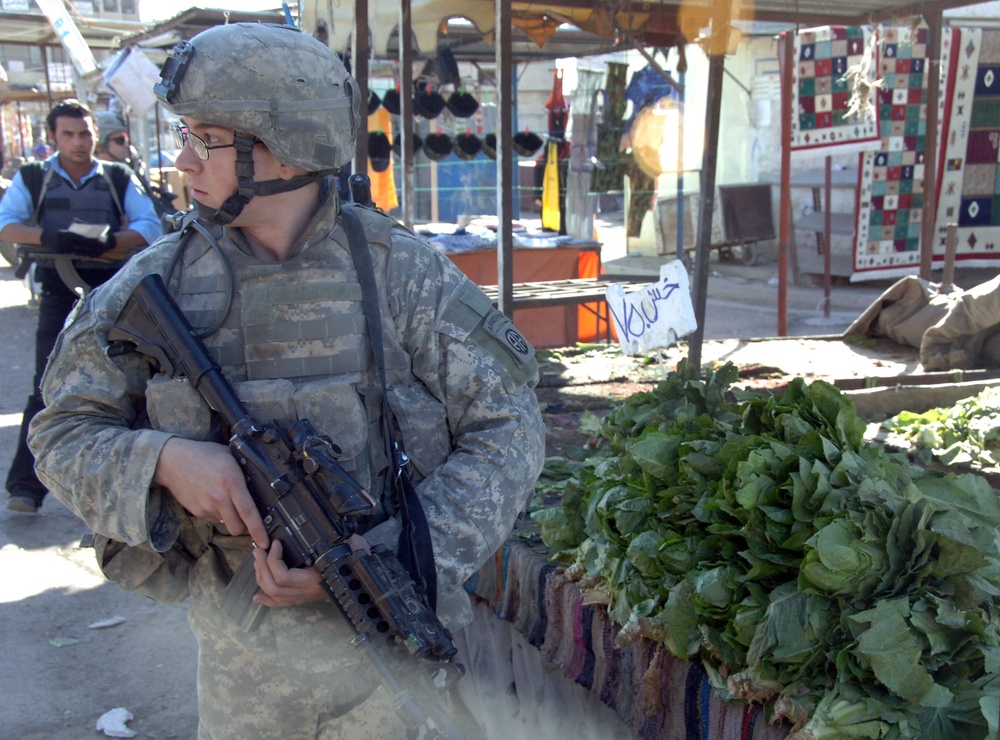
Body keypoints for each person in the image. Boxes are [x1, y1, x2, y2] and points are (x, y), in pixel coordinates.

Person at [29, 23, 544, 740]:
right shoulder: (156, 286)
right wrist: (167, 462)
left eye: (205, 139)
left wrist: (393, 558)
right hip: (244, 675)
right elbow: (58, 435)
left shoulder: (397, 272)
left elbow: (510, 426)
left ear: (286, 142)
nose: (182, 161)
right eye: (186, 135)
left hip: (388, 646)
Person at [1, 99, 161, 513]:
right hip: (60, 290)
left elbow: (148, 227)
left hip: (113, 290)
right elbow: (6, 222)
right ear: (53, 137)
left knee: (128, 383)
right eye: (69, 134)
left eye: (85, 133)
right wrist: (48, 238)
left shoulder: (117, 177)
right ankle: (26, 487)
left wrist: (109, 242)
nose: (78, 142)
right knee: (47, 383)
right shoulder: (34, 176)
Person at [94, 111, 180, 228]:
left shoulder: (125, 175)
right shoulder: (94, 180)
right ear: (100, 145)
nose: (126, 145)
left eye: (126, 138)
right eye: (120, 140)